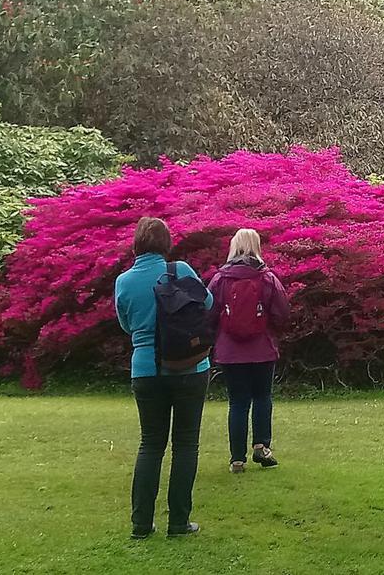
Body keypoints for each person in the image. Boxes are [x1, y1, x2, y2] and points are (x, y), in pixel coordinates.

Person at [114, 216, 212, 539]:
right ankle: (179, 522)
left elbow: (126, 325)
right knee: (186, 445)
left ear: (136, 244)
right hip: (190, 367)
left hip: (145, 370)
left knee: (151, 445)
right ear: (166, 244)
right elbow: (207, 304)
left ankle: (141, 524)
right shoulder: (180, 270)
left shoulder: (124, 282)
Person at [208, 228, 289, 473]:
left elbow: (208, 313)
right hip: (262, 349)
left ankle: (237, 459)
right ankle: (262, 447)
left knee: (238, 403)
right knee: (263, 397)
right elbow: (282, 313)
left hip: (230, 352)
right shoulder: (267, 278)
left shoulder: (220, 279)